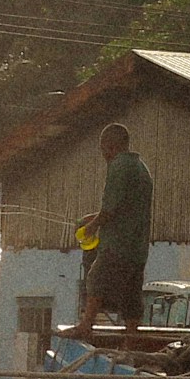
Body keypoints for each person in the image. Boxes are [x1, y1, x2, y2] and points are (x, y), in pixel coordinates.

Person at [69, 122, 153, 336]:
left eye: (103, 148)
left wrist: (91, 226)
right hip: (138, 246)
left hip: (117, 243)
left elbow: (110, 208)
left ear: (109, 145)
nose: (103, 154)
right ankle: (130, 341)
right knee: (131, 292)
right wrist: (92, 217)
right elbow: (126, 207)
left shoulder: (119, 166)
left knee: (96, 278)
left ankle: (86, 325)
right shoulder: (142, 169)